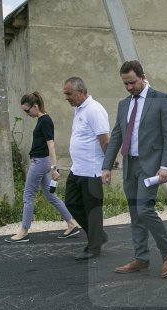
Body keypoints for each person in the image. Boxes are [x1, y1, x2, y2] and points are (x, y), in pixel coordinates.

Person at [102, 60, 167, 278]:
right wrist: (106, 165)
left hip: (151, 165)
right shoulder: (124, 104)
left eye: (132, 82)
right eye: (125, 84)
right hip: (130, 164)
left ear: (143, 77)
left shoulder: (161, 99)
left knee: (144, 209)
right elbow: (116, 135)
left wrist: (165, 167)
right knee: (135, 213)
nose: (129, 87)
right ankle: (141, 258)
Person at [5, 92, 80, 243]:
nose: (26, 114)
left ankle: (23, 231)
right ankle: (72, 224)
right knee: (51, 196)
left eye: (27, 110)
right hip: (42, 162)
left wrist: (54, 167)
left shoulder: (45, 120)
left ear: (35, 106)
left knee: (28, 196)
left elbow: (51, 145)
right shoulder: (42, 120)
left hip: (40, 163)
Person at [62, 77, 110, 261]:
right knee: (72, 202)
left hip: (92, 170)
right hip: (78, 169)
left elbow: (105, 140)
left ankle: (93, 247)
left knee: (93, 210)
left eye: (69, 94)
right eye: (65, 94)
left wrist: (108, 163)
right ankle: (98, 235)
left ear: (81, 91)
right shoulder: (79, 109)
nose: (66, 97)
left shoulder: (94, 110)